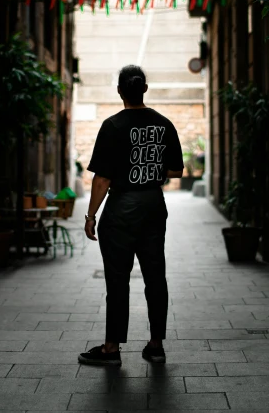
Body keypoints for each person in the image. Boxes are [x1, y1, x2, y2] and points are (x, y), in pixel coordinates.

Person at [77, 65, 184, 366]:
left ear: (120, 91)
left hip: (122, 209)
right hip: (153, 205)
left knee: (117, 279)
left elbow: (102, 179)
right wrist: (152, 169)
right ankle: (156, 345)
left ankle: (112, 348)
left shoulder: (112, 126)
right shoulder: (164, 124)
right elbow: (176, 171)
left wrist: (90, 216)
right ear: (144, 89)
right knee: (155, 276)